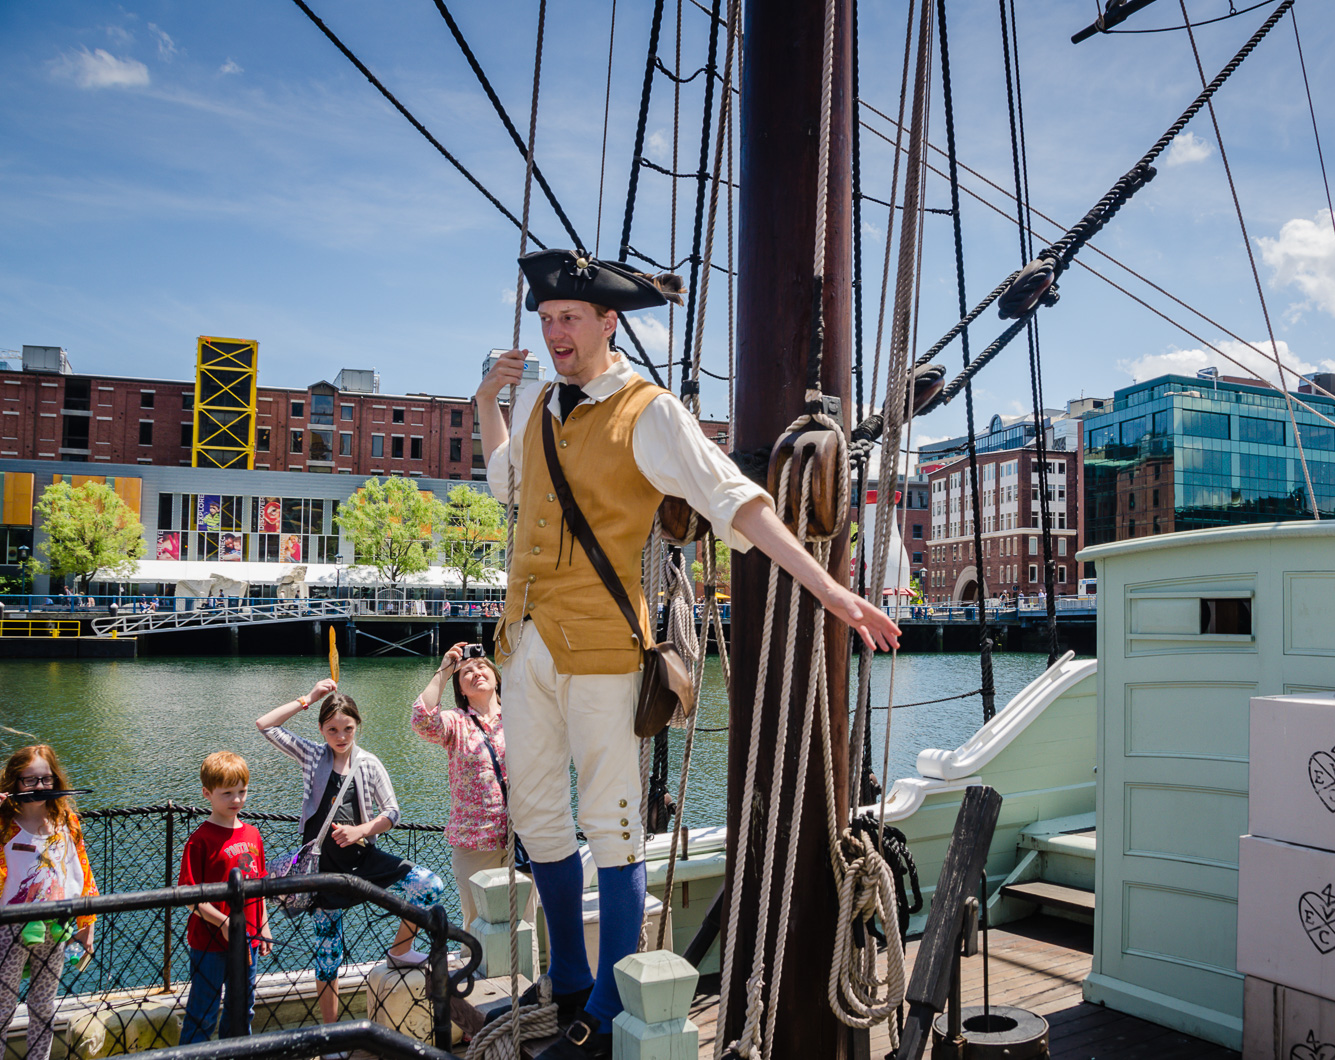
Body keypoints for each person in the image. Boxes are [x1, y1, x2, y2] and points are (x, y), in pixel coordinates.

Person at [477, 248, 901, 1058]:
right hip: (523, 645)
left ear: (609, 322)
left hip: (603, 648)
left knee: (612, 825)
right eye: (546, 320)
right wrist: (485, 398)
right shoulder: (535, 404)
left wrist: (830, 591)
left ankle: (602, 1009)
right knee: (535, 817)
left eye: (570, 319)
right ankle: (568, 976)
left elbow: (735, 502)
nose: (555, 333)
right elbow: (505, 481)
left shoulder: (650, 411)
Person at [256, 680, 445, 1025]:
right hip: (323, 869)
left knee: (429, 885)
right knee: (328, 956)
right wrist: (309, 698)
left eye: (348, 728)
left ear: (358, 726)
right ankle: (331, 1035)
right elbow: (266, 725)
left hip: (361, 861)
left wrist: (361, 830)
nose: (340, 736)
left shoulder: (369, 763)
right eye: (332, 729)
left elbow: (392, 812)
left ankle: (400, 950)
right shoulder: (314, 755)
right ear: (321, 729)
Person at [410, 641, 521, 927]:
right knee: (477, 923)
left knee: (525, 922)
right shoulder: (456, 722)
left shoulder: (520, 716)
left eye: (482, 666)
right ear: (460, 689)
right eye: (467, 672)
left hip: (523, 835)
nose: (476, 672)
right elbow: (422, 719)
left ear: (497, 677)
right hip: (475, 841)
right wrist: (445, 670)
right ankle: (477, 970)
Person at [0, 745, 98, 1060]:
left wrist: (87, 924)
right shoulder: (4, 825)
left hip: (55, 925)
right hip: (8, 928)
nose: (40, 787)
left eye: (46, 779)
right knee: (2, 1005)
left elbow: (81, 870)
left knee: (43, 1006)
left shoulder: (66, 821)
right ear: (14, 783)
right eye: (30, 781)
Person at [178, 751, 271, 1044]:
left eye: (242, 791)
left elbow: (261, 886)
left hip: (249, 941)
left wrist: (263, 925)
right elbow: (189, 896)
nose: (236, 800)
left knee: (242, 1009)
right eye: (227, 793)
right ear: (208, 793)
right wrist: (227, 924)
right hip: (210, 944)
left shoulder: (253, 835)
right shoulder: (200, 840)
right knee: (203, 1012)